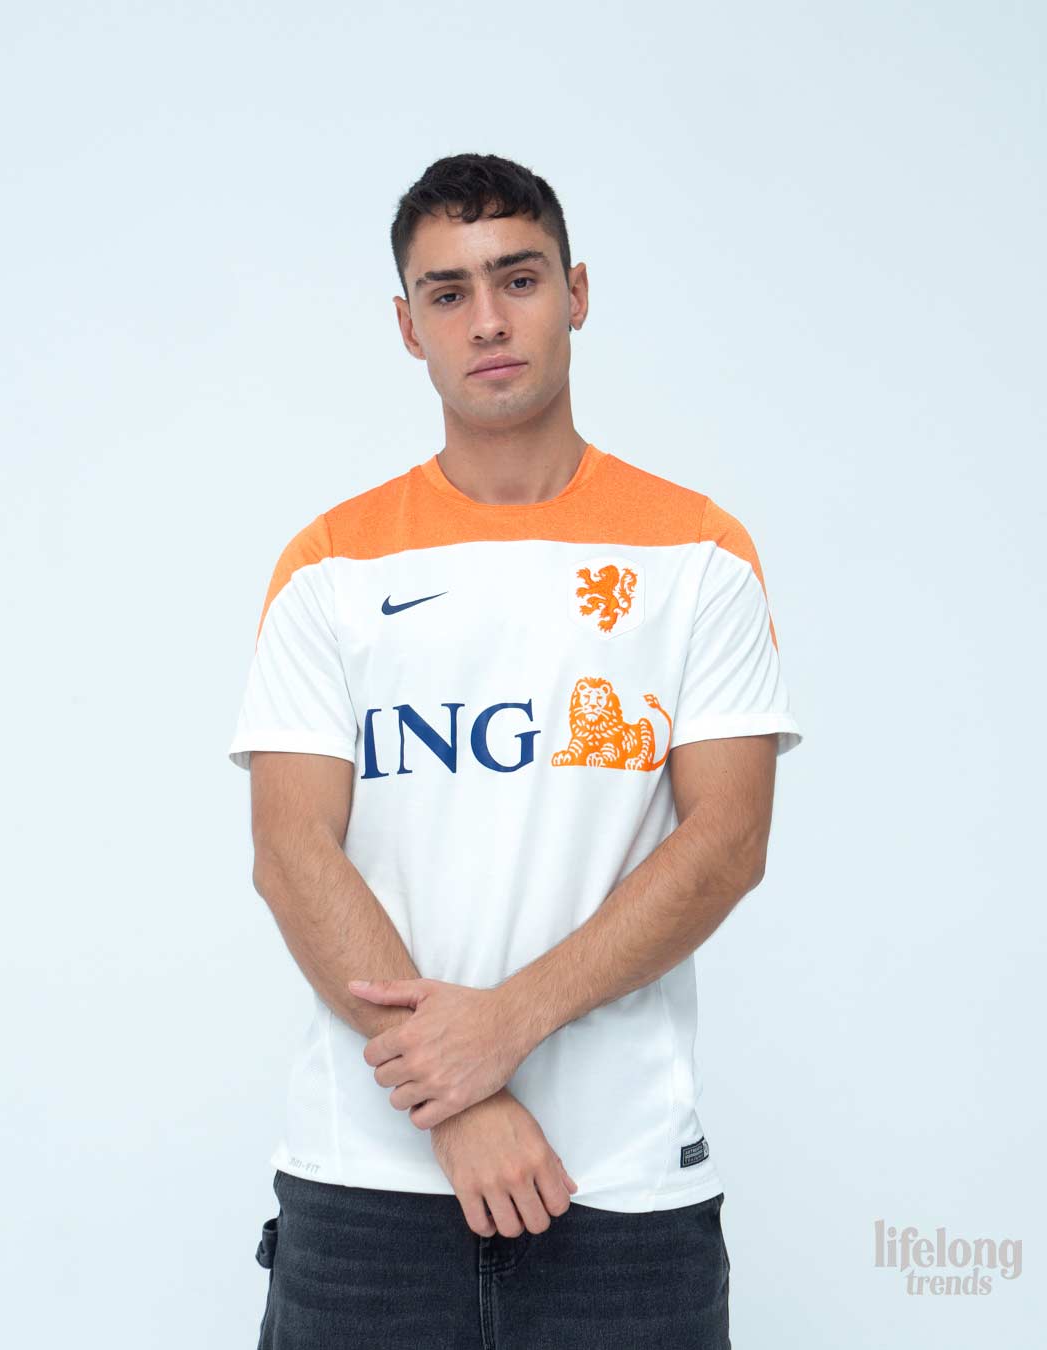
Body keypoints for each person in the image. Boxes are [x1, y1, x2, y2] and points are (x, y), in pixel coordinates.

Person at [228, 151, 803, 1349]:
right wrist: (460, 1103)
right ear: (408, 327)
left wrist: (506, 1025)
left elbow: (729, 841)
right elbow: (291, 854)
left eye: (519, 279)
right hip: (366, 1192)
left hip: (623, 1193)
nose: (487, 320)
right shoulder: (330, 566)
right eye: (448, 293)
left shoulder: (699, 557)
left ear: (577, 293)